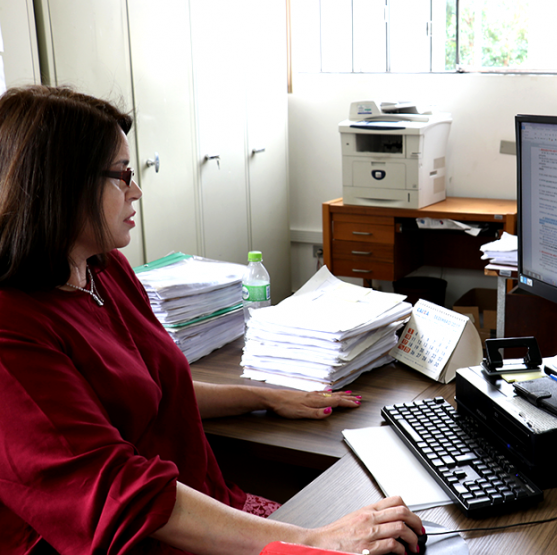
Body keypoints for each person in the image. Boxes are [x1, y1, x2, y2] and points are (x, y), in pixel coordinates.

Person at [0, 85, 423, 554]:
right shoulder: (11, 327)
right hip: (137, 538)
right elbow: (117, 491)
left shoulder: (103, 268)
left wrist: (264, 396)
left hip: (205, 508)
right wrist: (314, 542)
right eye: (122, 175)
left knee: (400, 527)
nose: (136, 190)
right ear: (62, 186)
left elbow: (156, 386)